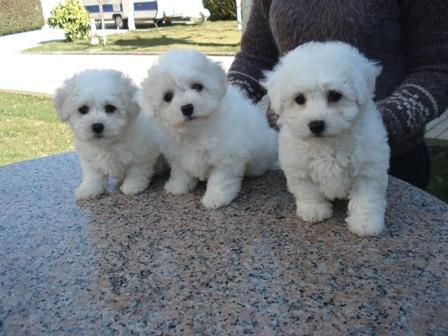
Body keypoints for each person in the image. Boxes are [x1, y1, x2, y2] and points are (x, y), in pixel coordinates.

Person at [228, 0, 448, 190]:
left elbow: (437, 66)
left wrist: (379, 123)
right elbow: (254, 57)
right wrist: (223, 105)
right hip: (296, 150)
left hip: (385, 156)